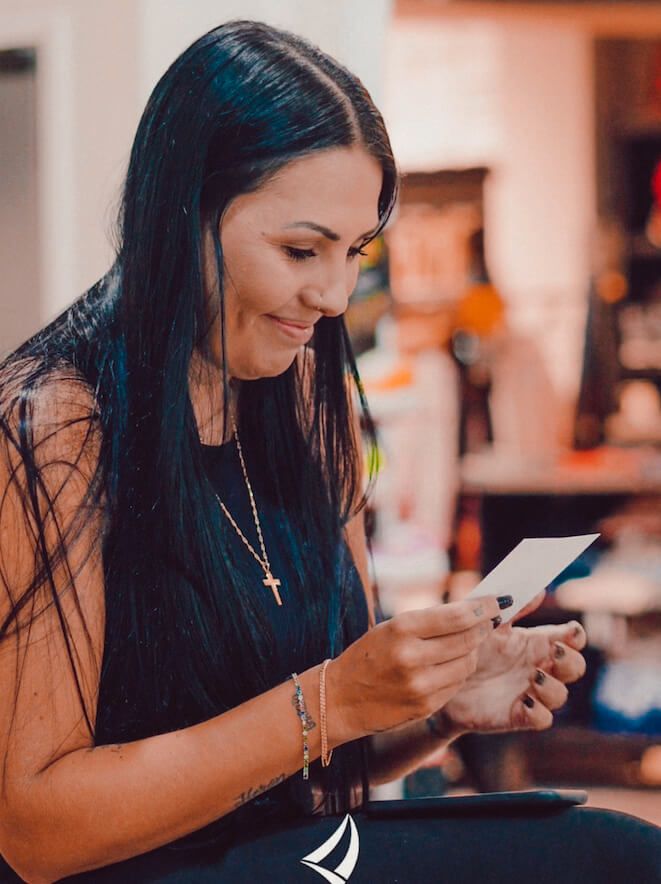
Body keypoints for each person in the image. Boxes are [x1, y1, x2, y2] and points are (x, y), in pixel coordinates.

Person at [0, 20, 658, 884]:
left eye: (354, 252)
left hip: (292, 856)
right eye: (300, 250)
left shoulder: (315, 407)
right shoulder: (53, 423)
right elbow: (37, 832)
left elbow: (310, 762)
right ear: (180, 214)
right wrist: (333, 699)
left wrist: (433, 709)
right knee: (614, 857)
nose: (335, 294)